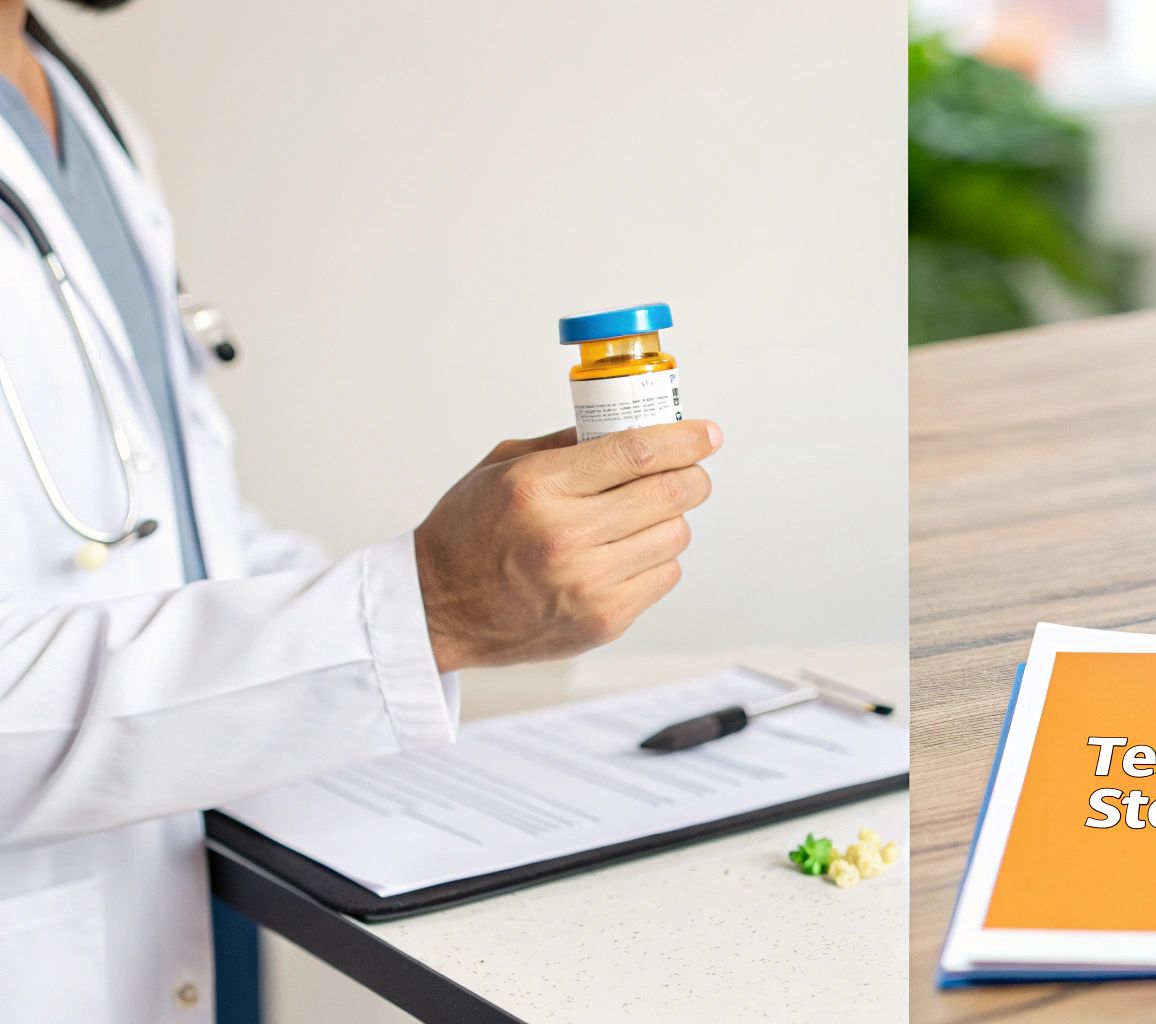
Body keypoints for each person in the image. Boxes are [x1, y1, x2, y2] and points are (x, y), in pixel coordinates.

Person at [0, 3, 719, 1021]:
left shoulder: (80, 103)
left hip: (188, 901)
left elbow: (175, 532)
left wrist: (451, 617)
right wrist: (425, 610)